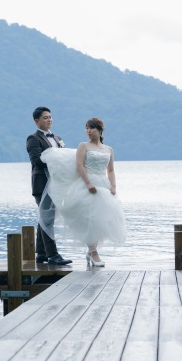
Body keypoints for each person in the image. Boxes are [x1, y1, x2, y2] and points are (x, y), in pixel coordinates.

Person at [41, 117, 127, 267]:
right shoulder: (84, 146)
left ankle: (91, 250)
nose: (88, 131)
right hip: (86, 185)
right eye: (86, 128)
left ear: (99, 130)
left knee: (101, 220)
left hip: (103, 185)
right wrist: (88, 183)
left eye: (91, 128)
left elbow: (111, 170)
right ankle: (94, 252)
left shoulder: (109, 149)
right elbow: (80, 166)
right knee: (88, 219)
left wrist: (113, 186)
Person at [26, 107, 72, 265]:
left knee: (45, 219)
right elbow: (36, 161)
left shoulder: (58, 138)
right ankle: (53, 255)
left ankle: (41, 253)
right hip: (42, 185)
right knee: (48, 219)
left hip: (56, 185)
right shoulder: (33, 138)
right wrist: (55, 158)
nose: (49, 120)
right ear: (36, 121)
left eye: (50, 117)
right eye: (45, 118)